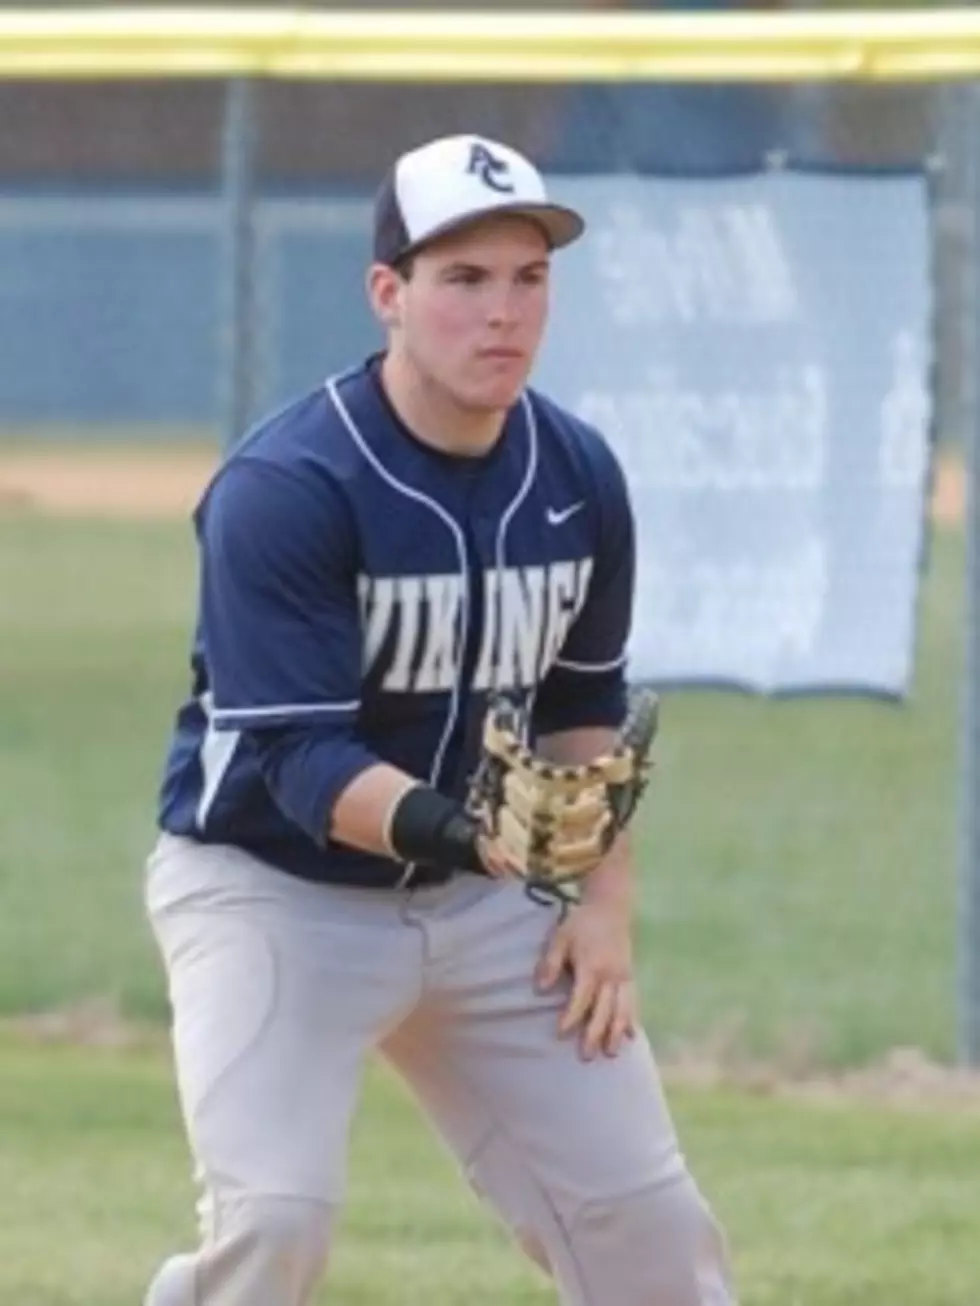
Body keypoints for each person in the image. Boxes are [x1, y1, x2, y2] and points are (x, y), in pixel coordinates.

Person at [143, 132, 736, 1306]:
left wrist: (602, 905)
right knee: (276, 1221)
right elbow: (300, 762)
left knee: (648, 1230)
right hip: (273, 891)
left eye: (528, 277)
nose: (501, 312)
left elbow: (580, 711)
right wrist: (479, 841)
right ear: (388, 294)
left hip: (481, 902)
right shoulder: (289, 488)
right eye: (462, 279)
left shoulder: (576, 471)